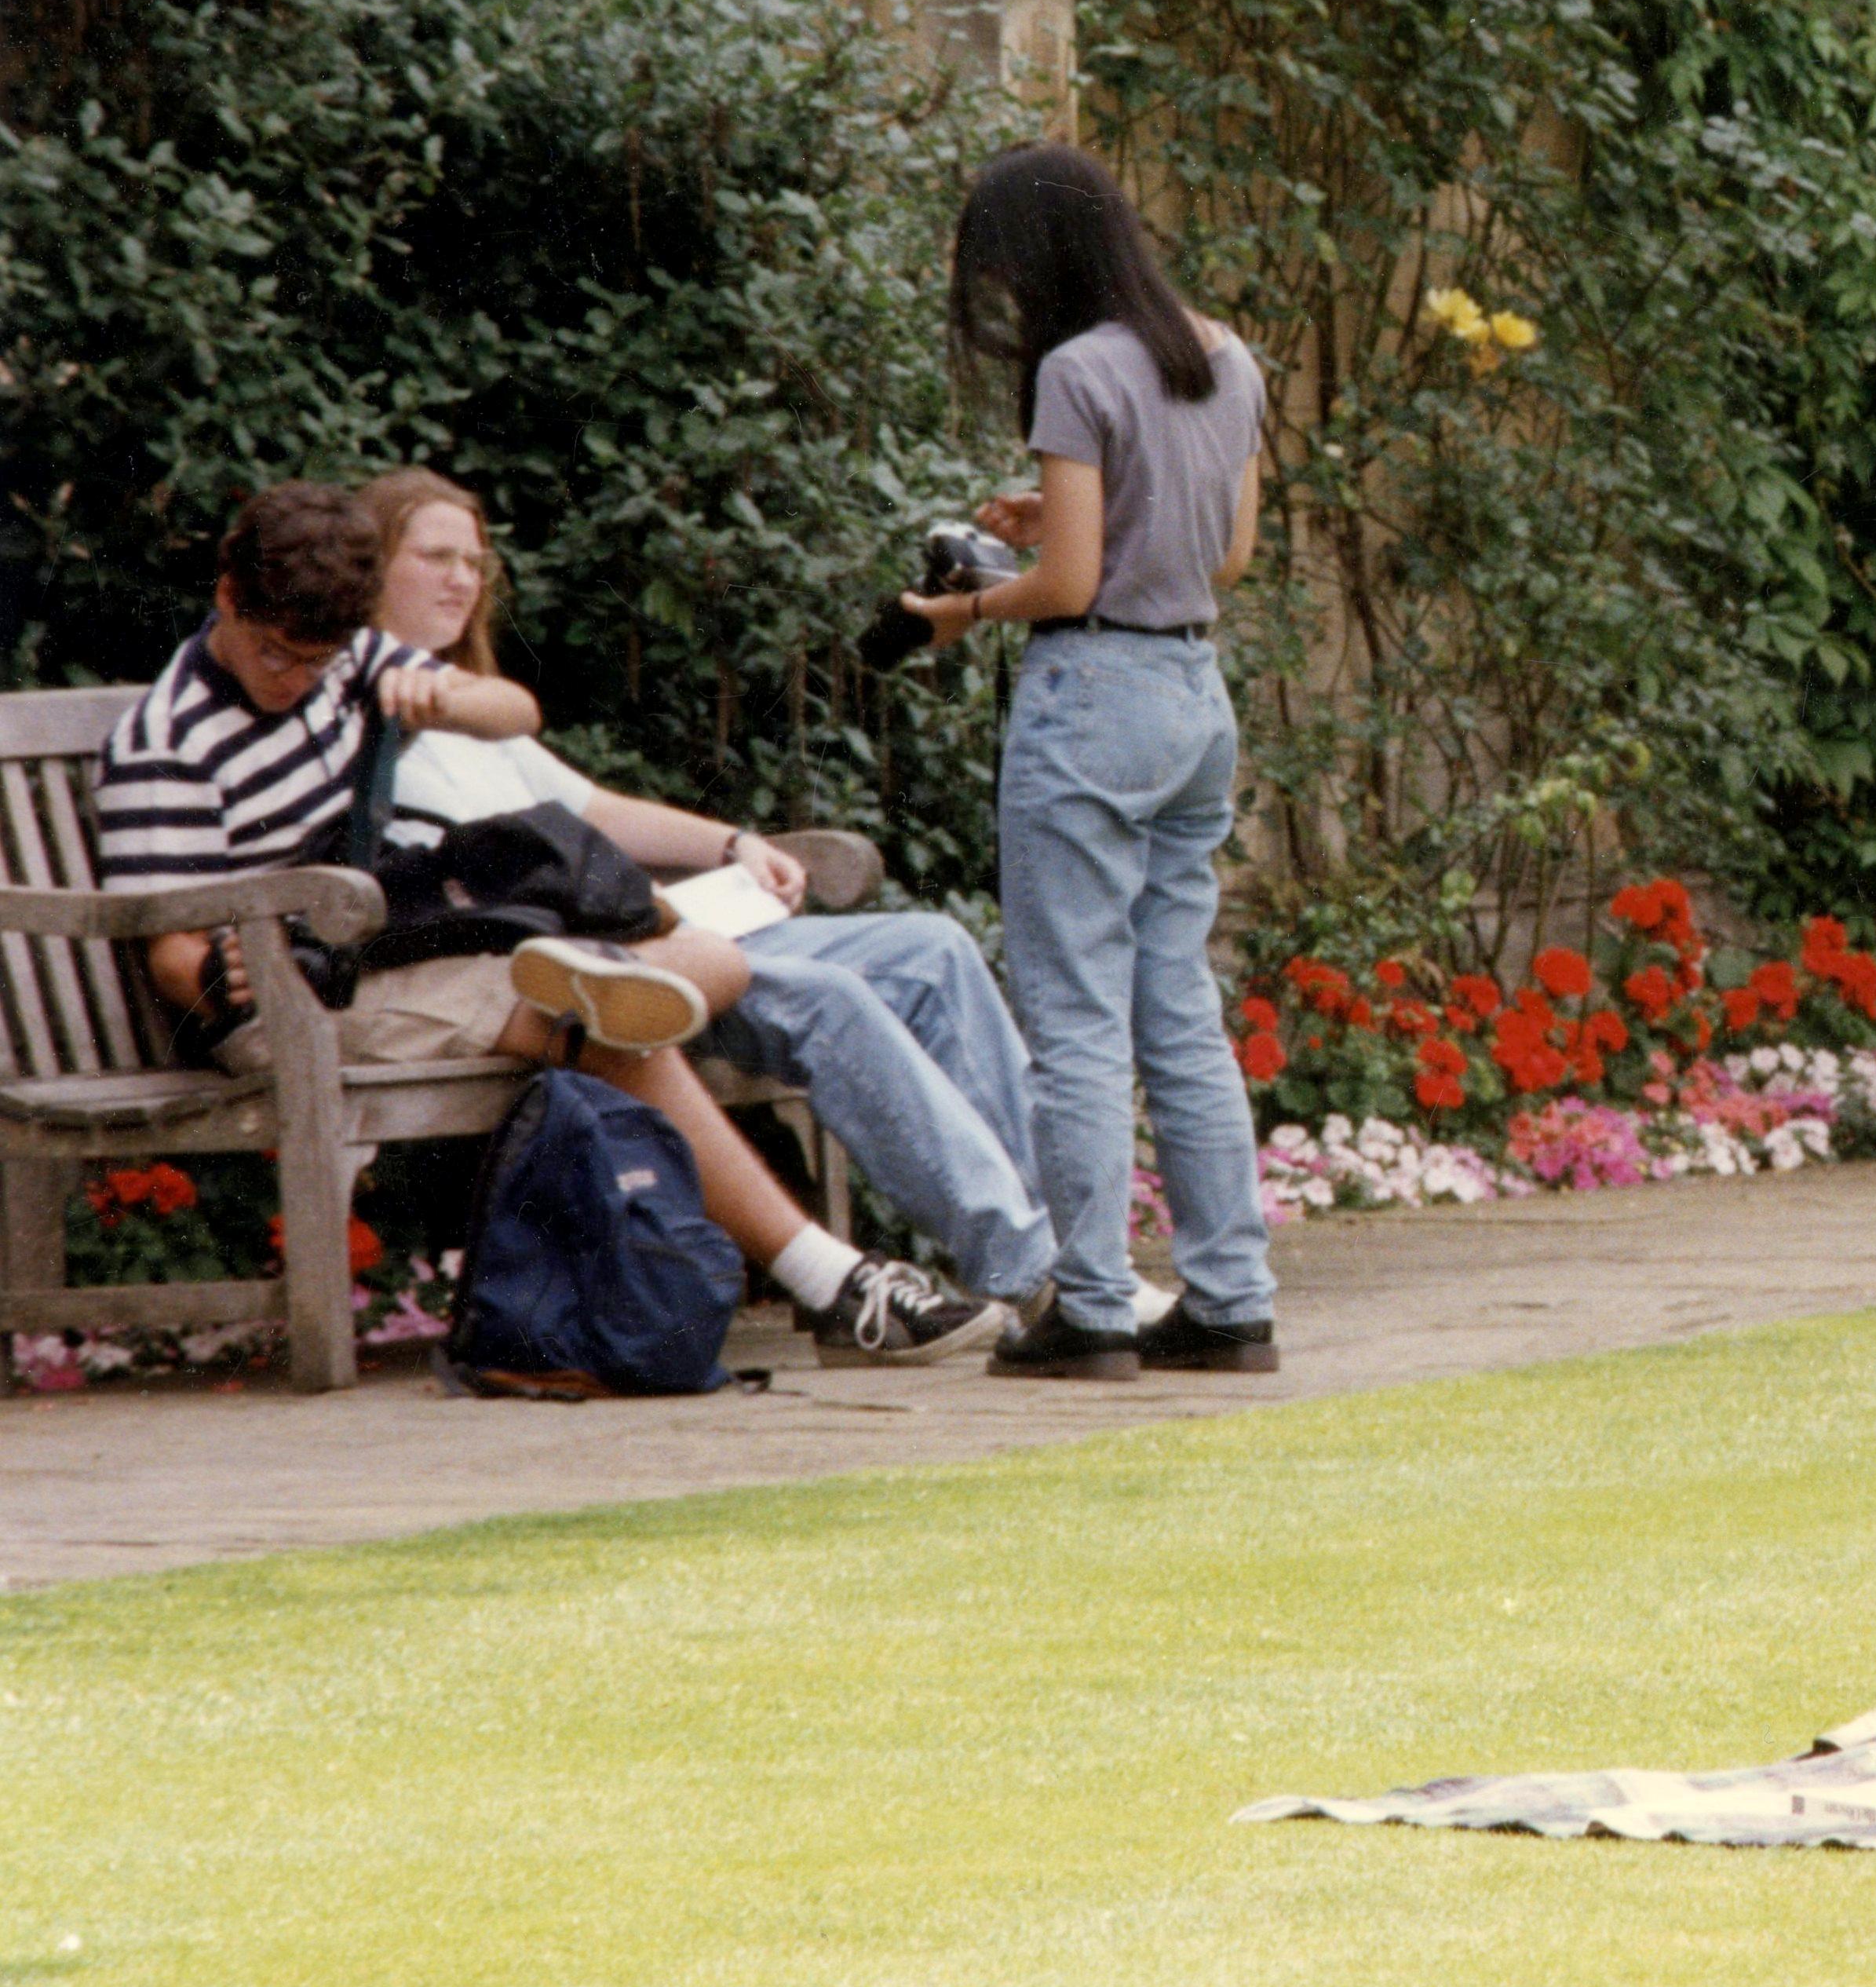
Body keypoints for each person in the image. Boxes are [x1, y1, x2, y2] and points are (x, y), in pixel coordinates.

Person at [97, 481, 1003, 1366]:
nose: (295, 681)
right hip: (287, 999)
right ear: (225, 596)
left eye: (315, 661)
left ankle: (612, 994)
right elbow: (173, 957)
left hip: (383, 948)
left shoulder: (353, 657)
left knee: (701, 960)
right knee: (600, 1027)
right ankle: (841, 1283)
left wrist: (446, 698)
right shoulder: (167, 742)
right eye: (274, 655)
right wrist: (227, 966)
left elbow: (514, 711)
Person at [356, 468, 1064, 1353]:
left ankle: (1071, 1249)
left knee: (932, 945)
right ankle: (1029, 1273)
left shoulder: (472, 703)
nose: (462, 578)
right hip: (590, 965)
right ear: (372, 564)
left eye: (474, 560)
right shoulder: (366, 705)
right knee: (825, 996)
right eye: (435, 557)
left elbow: (594, 809)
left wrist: (732, 843)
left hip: (658, 926)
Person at [903, 142, 1277, 1381]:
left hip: (1090, 698)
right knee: (1178, 1002)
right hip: (1192, 696)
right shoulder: (1226, 356)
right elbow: (1223, 558)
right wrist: (1062, 520)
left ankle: (1097, 1307)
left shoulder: (1075, 369)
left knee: (1073, 1016)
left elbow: (1064, 587)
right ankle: (1230, 1299)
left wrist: (960, 611)